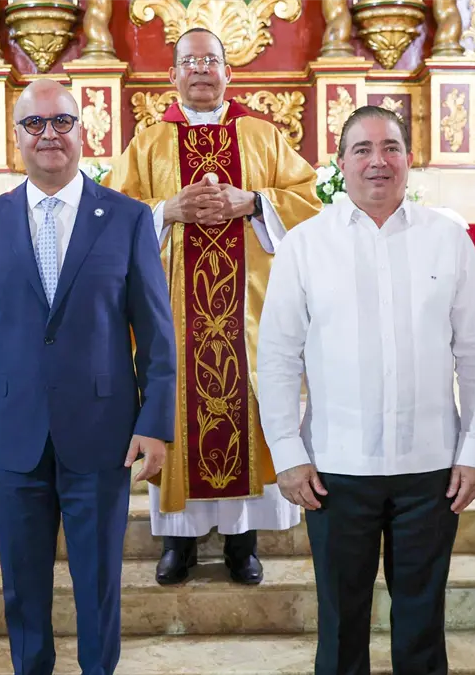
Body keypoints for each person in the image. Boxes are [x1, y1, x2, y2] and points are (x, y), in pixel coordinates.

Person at [257, 106, 475, 675]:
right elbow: (276, 356)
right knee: (342, 625)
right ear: (340, 164)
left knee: (421, 624)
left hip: (431, 466)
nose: (378, 161)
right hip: (337, 468)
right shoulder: (305, 245)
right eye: (362, 150)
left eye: (390, 147)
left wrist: (474, 448)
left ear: (409, 160)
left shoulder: (448, 239)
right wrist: (288, 453)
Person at [0, 79, 176, 675]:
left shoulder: (126, 218)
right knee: (23, 583)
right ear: (15, 136)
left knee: (98, 579)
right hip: (12, 429)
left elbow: (155, 332)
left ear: (83, 131)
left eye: (62, 122)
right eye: (34, 124)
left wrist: (155, 423)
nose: (49, 135)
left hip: (101, 430)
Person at [102, 28, 322, 586]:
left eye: (211, 61)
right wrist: (166, 209)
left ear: (229, 73)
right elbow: (110, 216)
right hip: (171, 314)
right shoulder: (148, 144)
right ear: (171, 76)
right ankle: (177, 540)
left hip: (248, 315)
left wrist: (254, 202)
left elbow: (309, 200)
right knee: (175, 409)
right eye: (189, 62)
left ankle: (241, 543)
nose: (200, 70)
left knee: (246, 409)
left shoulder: (262, 136)